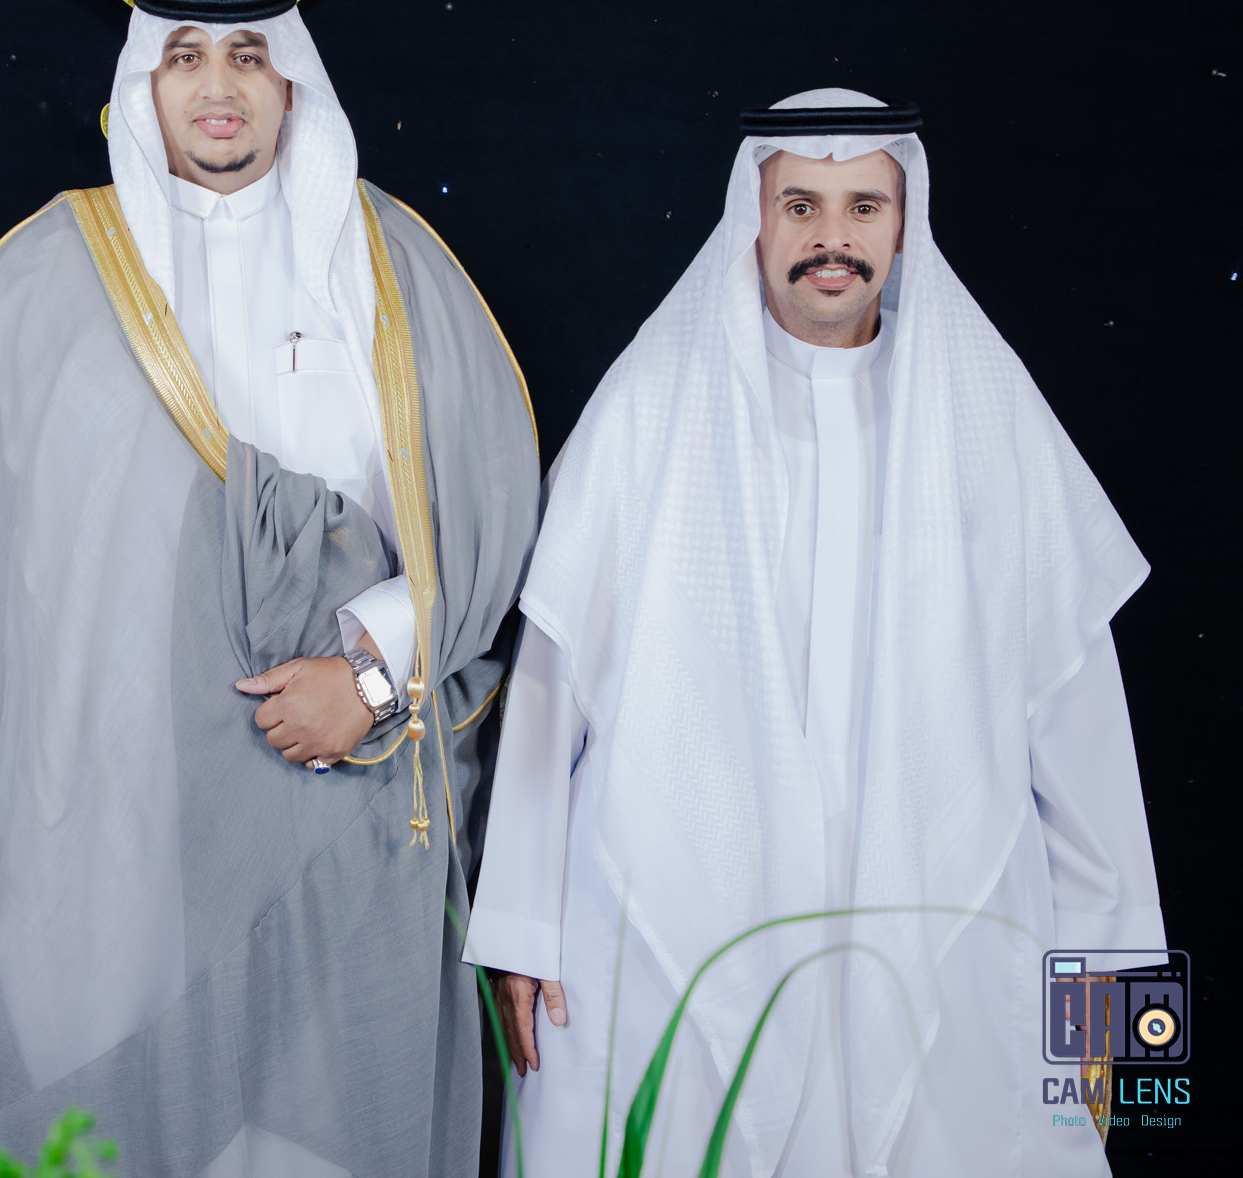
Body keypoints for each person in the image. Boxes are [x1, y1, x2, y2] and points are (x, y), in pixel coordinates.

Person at [0, 0, 540, 1175]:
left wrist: (372, 677)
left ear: (293, 83)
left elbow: (486, 512)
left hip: (334, 782)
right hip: (104, 815)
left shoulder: (392, 265)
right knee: (114, 1130)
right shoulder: (39, 275)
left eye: (247, 56)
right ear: (144, 83)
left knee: (316, 1134)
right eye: (183, 57)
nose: (217, 87)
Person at [466, 90, 1164, 1176]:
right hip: (686, 916)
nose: (831, 236)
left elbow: (1079, 728)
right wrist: (516, 929)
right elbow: (553, 686)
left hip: (941, 927)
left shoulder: (989, 417)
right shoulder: (652, 403)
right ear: (752, 218)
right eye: (800, 205)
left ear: (903, 221)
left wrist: (1116, 1011)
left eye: (861, 207)